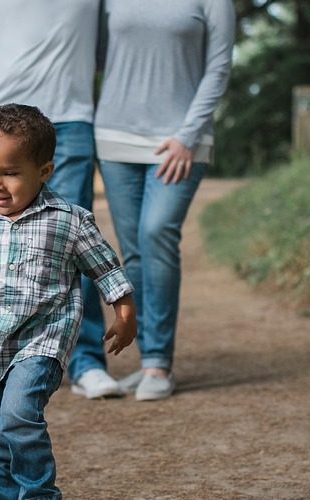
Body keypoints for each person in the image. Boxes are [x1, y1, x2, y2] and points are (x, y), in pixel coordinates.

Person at [0, 104, 137, 499]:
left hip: (44, 341)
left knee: (18, 416)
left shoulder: (69, 220)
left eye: (10, 173)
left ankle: (40, 494)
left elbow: (106, 270)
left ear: (44, 171)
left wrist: (125, 313)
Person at [0, 0, 125, 399]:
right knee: (3, 240)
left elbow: (110, 48)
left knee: (71, 240)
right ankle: (13, 357)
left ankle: (85, 361)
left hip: (69, 120)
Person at [83, 0, 235, 401]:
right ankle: (147, 354)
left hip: (182, 139)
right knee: (131, 250)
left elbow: (218, 67)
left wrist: (187, 136)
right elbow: (92, 54)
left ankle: (158, 364)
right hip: (116, 137)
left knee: (157, 232)